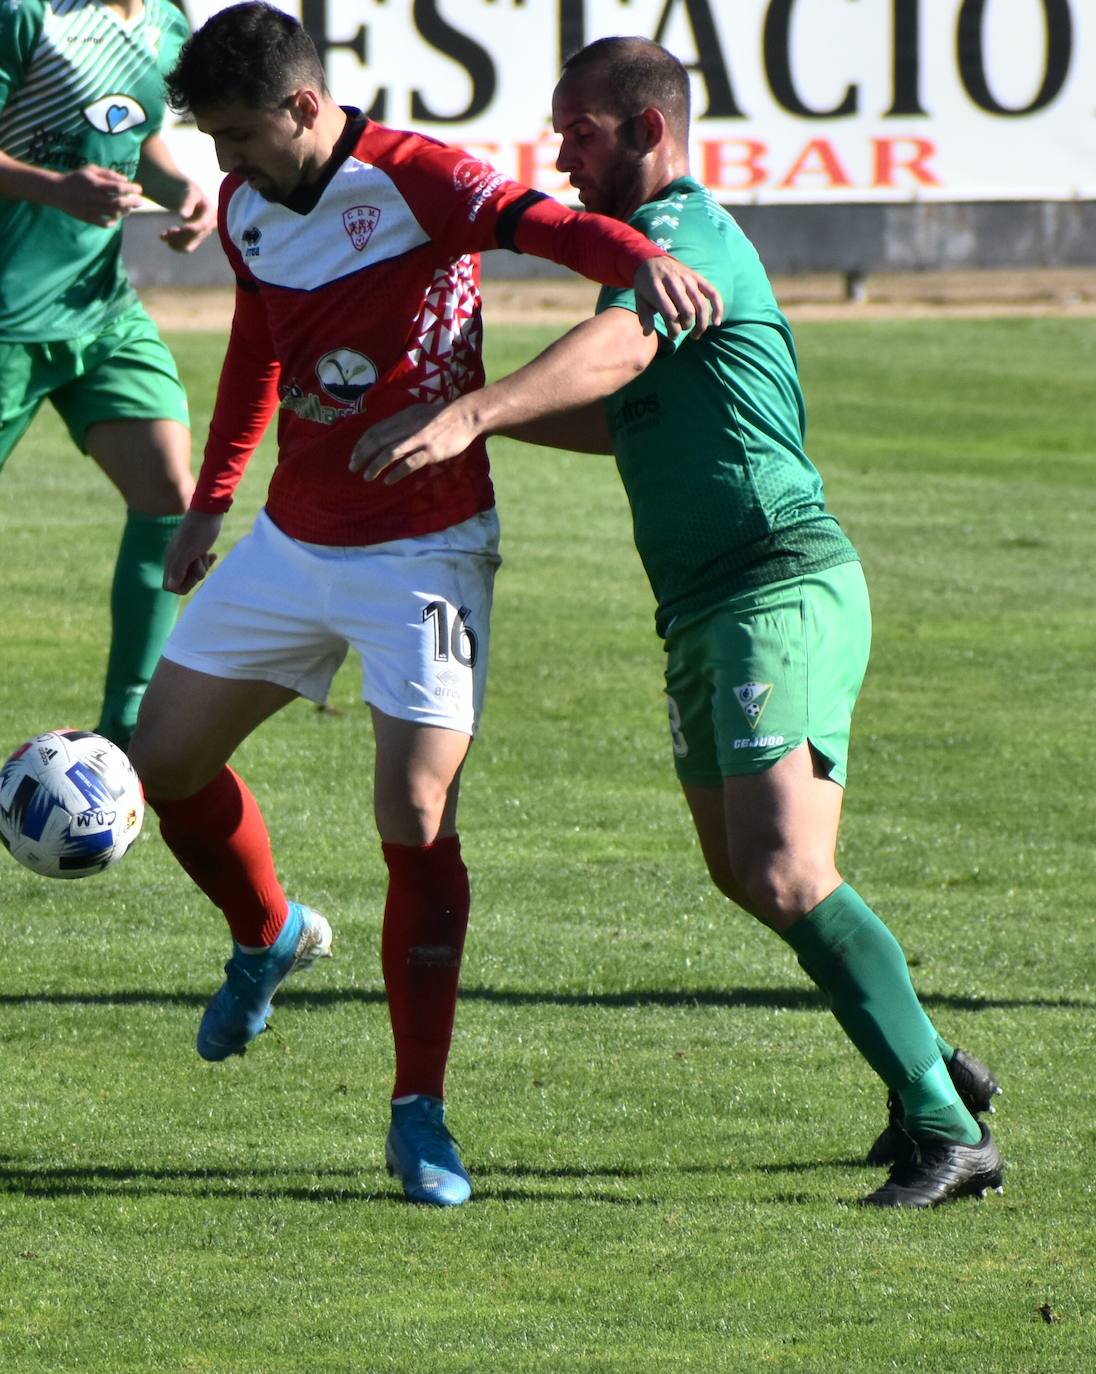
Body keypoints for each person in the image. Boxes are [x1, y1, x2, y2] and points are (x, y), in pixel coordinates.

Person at [350, 36, 1006, 1209]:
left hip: (776, 585)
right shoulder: (639, 279)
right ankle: (922, 1058)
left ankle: (949, 1130)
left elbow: (616, 354)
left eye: (578, 133)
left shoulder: (684, 238)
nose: (558, 158)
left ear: (646, 131)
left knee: (784, 866)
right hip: (706, 610)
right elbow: (627, 414)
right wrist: (468, 416)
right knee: (742, 870)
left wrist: (474, 413)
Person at [126, 3, 720, 1209]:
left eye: (238, 136)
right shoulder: (248, 208)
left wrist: (637, 258)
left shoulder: (417, 175)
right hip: (295, 537)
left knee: (411, 808)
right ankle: (269, 934)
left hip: (427, 551)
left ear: (302, 107)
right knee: (160, 765)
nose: (226, 166)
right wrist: (211, 502)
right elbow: (259, 352)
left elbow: (541, 222)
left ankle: (418, 1112)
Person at [0, 0, 216, 747]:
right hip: (6, 322)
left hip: (100, 312)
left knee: (168, 495)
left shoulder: (166, 24)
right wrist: (52, 187)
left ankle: (126, 727)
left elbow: (140, 133)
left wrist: (180, 192)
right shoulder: (27, 16)